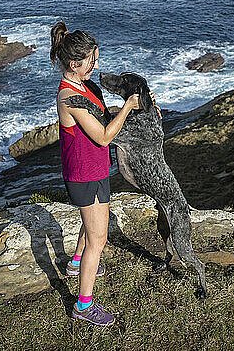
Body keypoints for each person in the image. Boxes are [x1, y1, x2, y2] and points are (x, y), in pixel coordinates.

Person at [51, 21, 160, 327]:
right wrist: (128, 107)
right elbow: (102, 136)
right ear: (75, 63)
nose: (95, 65)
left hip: (96, 167)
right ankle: (83, 305)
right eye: (91, 61)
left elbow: (103, 117)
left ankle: (75, 263)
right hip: (83, 174)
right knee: (98, 240)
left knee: (93, 223)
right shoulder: (67, 98)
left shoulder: (86, 86)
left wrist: (143, 106)